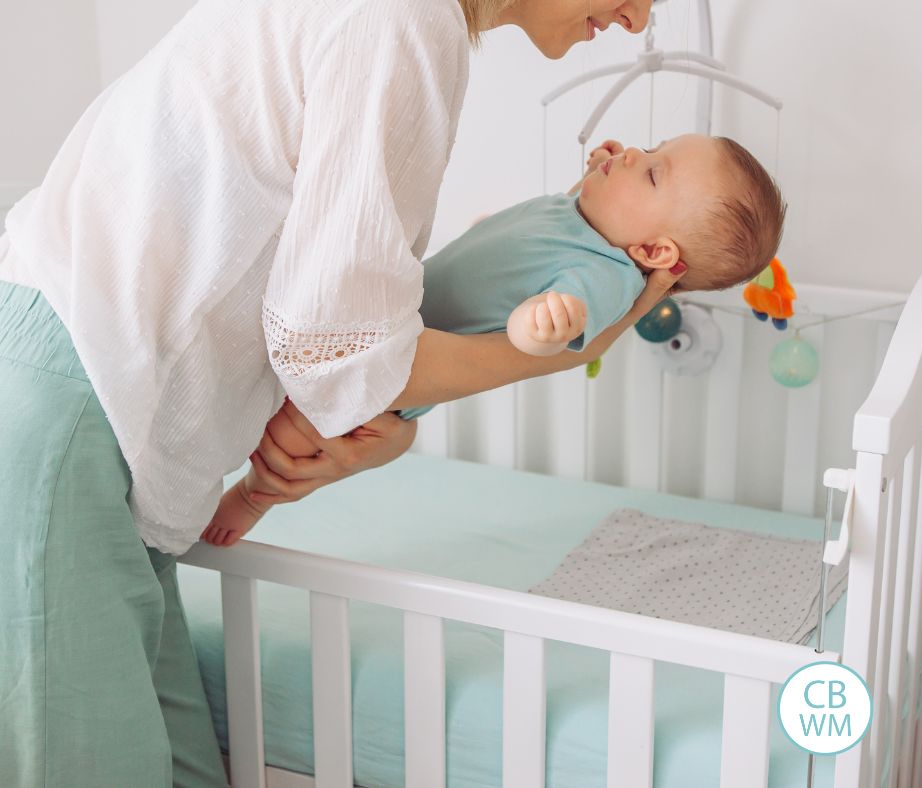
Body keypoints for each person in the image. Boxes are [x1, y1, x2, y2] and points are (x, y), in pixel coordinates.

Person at [0, 1, 681, 786]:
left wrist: (379, 410)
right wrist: (553, 358)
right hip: (71, 404)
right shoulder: (400, 21)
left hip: (104, 413)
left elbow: (327, 318)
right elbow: (333, 343)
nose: (637, 19)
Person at [202, 132, 785, 547]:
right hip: (384, 321)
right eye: (652, 147)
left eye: (653, 172)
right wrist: (606, 171)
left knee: (292, 432)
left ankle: (253, 497)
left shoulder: (604, 276)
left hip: (390, 382)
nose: (634, 152)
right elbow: (559, 225)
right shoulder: (581, 217)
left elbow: (568, 325)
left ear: (655, 255)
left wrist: (544, 325)